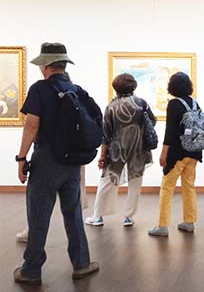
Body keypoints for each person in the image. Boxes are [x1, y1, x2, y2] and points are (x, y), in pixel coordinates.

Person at [13, 42, 99, 284]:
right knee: (73, 213)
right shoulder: (76, 89)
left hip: (46, 162)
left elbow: (32, 125)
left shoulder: (40, 89)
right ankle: (82, 263)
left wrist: (21, 158)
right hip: (72, 162)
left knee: (39, 216)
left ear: (44, 66)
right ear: (64, 65)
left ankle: (31, 270)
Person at [86, 73, 156, 227]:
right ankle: (129, 217)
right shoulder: (141, 103)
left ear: (116, 88)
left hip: (117, 149)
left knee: (107, 181)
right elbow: (153, 121)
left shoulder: (111, 107)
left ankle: (98, 216)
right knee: (135, 181)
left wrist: (102, 156)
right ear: (133, 86)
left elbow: (106, 134)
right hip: (138, 148)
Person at [149, 72, 202, 237]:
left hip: (177, 153)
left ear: (172, 86)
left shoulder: (174, 104)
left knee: (167, 187)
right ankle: (189, 222)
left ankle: (162, 226)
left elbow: (170, 132)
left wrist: (163, 153)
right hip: (194, 151)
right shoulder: (195, 103)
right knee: (189, 186)